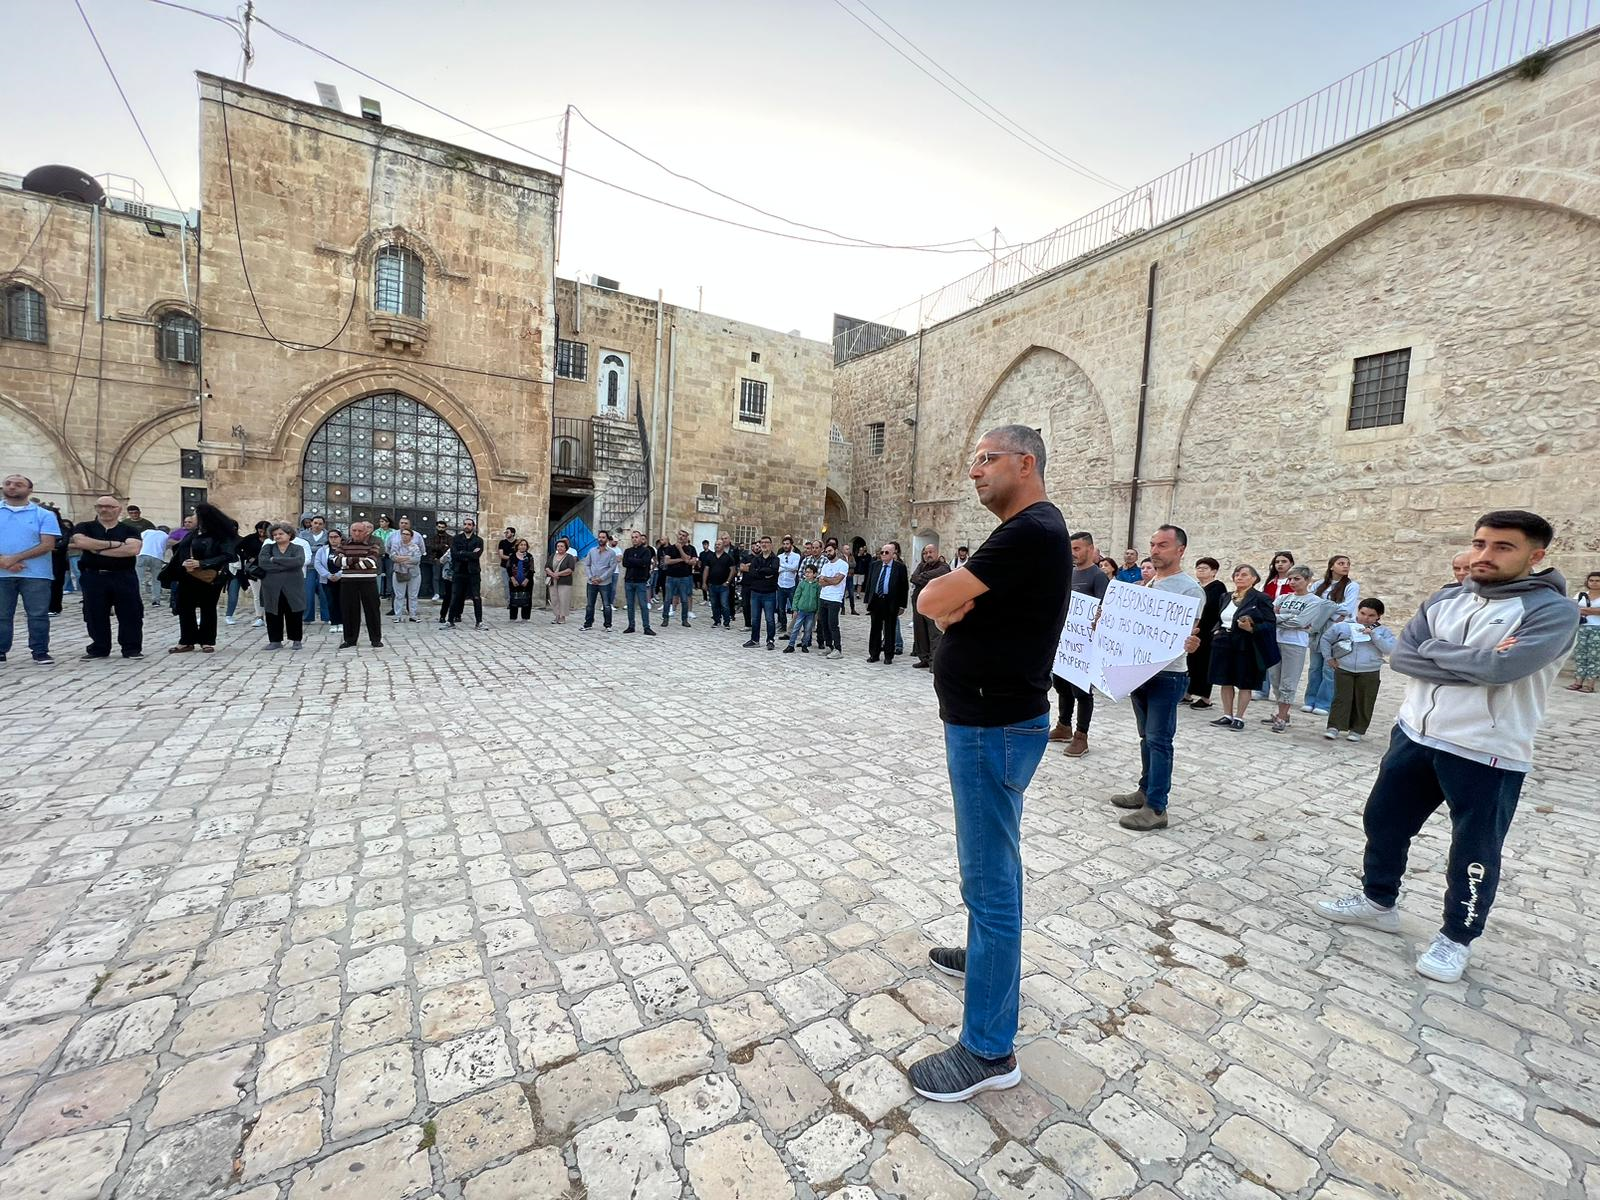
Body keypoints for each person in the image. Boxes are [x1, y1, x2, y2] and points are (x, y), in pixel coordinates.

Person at [1316, 509, 1578, 983]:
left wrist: (1435, 653)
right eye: (1479, 544)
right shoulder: (1447, 597)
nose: (1484, 555)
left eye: (1502, 547)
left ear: (1535, 555)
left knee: (1474, 849)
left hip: (1487, 748)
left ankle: (1457, 937)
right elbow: (1403, 657)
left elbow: (1503, 670)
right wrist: (1470, 661)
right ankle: (1378, 901)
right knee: (1383, 820)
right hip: (1414, 733)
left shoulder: (1551, 611)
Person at [909, 425, 1069, 1103]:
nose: (973, 472)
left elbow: (929, 601)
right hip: (994, 720)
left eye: (986, 459)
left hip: (991, 724)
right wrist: (952, 608)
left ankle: (988, 1050)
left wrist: (948, 607)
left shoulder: (1028, 530)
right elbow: (949, 606)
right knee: (991, 868)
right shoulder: (1031, 530)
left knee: (991, 881)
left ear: (1024, 463)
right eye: (972, 460)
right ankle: (986, 961)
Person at [1107, 526, 1204, 831]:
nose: (1155, 550)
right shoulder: (1147, 584)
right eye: (1152, 544)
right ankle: (1145, 790)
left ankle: (1157, 808)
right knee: (1146, 736)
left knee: (1160, 740)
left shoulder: (1189, 589)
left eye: (1163, 545)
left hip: (1167, 674)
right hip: (1141, 671)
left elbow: (1190, 631)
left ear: (1180, 550)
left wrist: (1191, 642)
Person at [1050, 530, 1110, 754]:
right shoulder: (1069, 573)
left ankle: (1081, 736)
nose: (1073, 553)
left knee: (1082, 691)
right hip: (1066, 643)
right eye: (1071, 549)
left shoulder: (1098, 576)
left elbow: (1104, 608)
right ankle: (1063, 725)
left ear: (1090, 549)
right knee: (1062, 685)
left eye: (1077, 548)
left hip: (1086, 646)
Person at [69, 496, 144, 660]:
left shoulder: (129, 529)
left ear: (118, 509)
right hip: (93, 575)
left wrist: (97, 549)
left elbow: (132, 549)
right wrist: (115, 544)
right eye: (101, 506)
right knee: (94, 612)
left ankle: (131, 648)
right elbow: (81, 542)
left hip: (123, 576)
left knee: (131, 612)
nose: (105, 510)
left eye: (109, 506)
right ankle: (99, 647)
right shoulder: (85, 526)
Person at [1264, 566, 1336, 733]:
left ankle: (1282, 716)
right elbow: (1267, 616)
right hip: (1276, 639)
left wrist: (1280, 618)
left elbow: (1301, 622)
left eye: (1297, 579)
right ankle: (1281, 711)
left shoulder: (1314, 601)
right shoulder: (1283, 597)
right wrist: (1287, 618)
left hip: (1295, 643)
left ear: (1307, 580)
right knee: (1275, 678)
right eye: (1291, 579)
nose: (1293, 582)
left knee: (1288, 680)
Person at [1206, 565, 1278, 729]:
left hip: (1246, 644)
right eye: (1236, 574)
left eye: (1244, 575)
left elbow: (1270, 623)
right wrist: (1216, 631)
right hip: (1223, 642)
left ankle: (1239, 717)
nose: (1239, 577)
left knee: (1245, 681)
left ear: (1254, 579)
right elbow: (1219, 617)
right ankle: (1227, 714)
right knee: (1225, 679)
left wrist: (1253, 629)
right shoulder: (1226, 596)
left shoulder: (1261, 598)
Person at [0, 475, 61, 665]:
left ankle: (40, 650)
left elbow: (47, 544)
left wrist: (15, 558)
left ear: (30, 490)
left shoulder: (44, 515)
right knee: (2, 614)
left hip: (36, 574)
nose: (12, 487)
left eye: (18, 485)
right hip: (2, 573)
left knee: (38, 614)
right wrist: (4, 561)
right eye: (8, 484)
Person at [166, 502, 239, 654]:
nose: (192, 518)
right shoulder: (192, 534)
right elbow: (180, 551)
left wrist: (202, 563)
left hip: (208, 577)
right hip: (188, 576)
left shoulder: (220, 535)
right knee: (185, 608)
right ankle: (186, 640)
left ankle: (207, 640)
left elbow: (228, 555)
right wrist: (184, 563)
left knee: (208, 608)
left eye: (195, 515)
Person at [1320, 598, 1396, 739]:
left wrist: (1373, 635)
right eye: (1363, 613)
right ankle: (1334, 727)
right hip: (1344, 667)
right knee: (1341, 698)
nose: (1365, 618)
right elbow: (1325, 639)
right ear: (1358, 611)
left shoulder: (1383, 631)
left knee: (1365, 701)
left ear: (1379, 616)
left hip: (1369, 670)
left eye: (1371, 615)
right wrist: (1328, 658)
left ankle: (1357, 730)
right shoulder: (1343, 626)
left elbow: (1390, 649)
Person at [1302, 555, 1362, 714]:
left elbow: (1347, 608)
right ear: (1331, 566)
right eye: (1341, 563)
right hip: (1317, 628)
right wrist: (1328, 609)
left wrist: (1325, 611)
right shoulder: (1318, 585)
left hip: (1335, 628)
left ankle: (1324, 703)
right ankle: (1310, 699)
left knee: (1329, 668)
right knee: (1315, 667)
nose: (1345, 566)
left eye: (1348, 564)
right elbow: (1310, 603)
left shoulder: (1351, 586)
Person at [1185, 557, 1227, 710]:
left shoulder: (1217, 587)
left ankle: (1205, 697)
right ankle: (1188, 692)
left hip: (1208, 630)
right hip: (1194, 629)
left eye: (1204, 568)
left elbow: (1213, 608)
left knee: (1204, 664)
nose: (1200, 571)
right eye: (1198, 568)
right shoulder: (1195, 587)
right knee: (1191, 662)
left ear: (1214, 571)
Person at [333, 521, 383, 649]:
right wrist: (359, 560)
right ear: (350, 531)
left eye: (360, 531)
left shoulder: (373, 544)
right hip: (348, 581)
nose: (357, 533)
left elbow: (371, 561)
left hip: (368, 581)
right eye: (354, 530)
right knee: (349, 610)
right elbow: (337, 561)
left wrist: (348, 562)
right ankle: (350, 640)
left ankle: (376, 639)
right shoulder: (343, 544)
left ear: (366, 532)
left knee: (372, 610)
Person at [257, 523, 307, 650]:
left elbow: (298, 562)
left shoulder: (297, 548)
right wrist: (286, 565)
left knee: (294, 611)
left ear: (289, 534)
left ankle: (296, 640)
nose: (277, 536)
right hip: (271, 586)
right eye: (275, 534)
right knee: (273, 612)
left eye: (280, 534)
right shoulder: (268, 548)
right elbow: (263, 563)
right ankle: (275, 640)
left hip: (293, 585)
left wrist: (275, 560)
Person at [909, 543, 952, 669]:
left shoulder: (943, 566)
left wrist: (921, 578)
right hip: (918, 603)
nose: (928, 555)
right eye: (925, 553)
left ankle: (935, 662)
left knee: (934, 633)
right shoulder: (921, 565)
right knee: (920, 632)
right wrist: (925, 578)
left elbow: (938, 575)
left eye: (930, 552)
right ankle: (924, 658)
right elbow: (913, 578)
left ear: (937, 553)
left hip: (934, 604)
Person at [865, 542, 908, 664]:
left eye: (886, 552)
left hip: (891, 601)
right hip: (876, 600)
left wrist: (902, 605)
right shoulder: (875, 565)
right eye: (882, 552)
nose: (883, 554)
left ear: (893, 554)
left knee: (889, 628)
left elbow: (904, 587)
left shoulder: (899, 567)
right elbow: (870, 583)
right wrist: (867, 600)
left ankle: (889, 655)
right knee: (875, 628)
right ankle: (874, 654)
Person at [226, 521, 269, 627]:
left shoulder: (271, 539)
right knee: (257, 594)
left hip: (269, 569)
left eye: (264, 531)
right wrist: (247, 557)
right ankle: (259, 617)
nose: (262, 533)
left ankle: (270, 616)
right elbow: (237, 548)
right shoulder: (251, 538)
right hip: (254, 569)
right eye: (260, 531)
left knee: (269, 594)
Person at [742, 536, 780, 649]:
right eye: (762, 543)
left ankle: (770, 640)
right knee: (755, 618)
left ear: (771, 544)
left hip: (769, 593)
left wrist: (760, 571)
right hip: (755, 593)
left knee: (769, 619)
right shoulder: (756, 559)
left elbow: (773, 571)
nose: (764, 545)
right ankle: (754, 640)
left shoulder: (775, 559)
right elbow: (752, 573)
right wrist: (764, 573)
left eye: (766, 542)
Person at [447, 518, 485, 629]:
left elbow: (476, 555)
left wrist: (462, 553)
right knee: (455, 597)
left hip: (473, 573)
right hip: (459, 572)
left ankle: (479, 622)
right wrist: (468, 554)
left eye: (469, 524)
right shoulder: (456, 539)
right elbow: (454, 554)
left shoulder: (478, 540)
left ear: (473, 526)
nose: (467, 526)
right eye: (465, 524)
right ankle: (450, 621)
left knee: (476, 597)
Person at [387, 517, 426, 621]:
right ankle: (398, 616)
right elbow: (392, 556)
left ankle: (413, 615)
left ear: (411, 536)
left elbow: (416, 559)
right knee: (399, 595)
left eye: (407, 534)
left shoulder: (415, 546)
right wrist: (407, 558)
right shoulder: (395, 543)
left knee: (413, 595)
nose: (405, 536)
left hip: (414, 573)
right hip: (399, 572)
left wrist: (401, 558)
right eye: (403, 534)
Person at [1568, 571, 1600, 693]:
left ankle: (1590, 684)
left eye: (1597, 581)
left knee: (1594, 657)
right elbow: (1572, 608)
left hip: (1597, 628)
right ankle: (1578, 682)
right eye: (1592, 580)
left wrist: (1585, 610)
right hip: (1581, 627)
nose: (1594, 583)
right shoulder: (1581, 594)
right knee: (1580, 655)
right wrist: (1593, 610)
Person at [817, 539, 848, 659]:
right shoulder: (825, 565)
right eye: (826, 552)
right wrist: (830, 579)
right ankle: (828, 646)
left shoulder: (842, 565)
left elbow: (837, 581)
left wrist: (827, 579)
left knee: (833, 624)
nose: (828, 553)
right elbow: (821, 582)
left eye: (830, 551)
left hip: (835, 598)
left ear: (836, 550)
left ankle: (837, 648)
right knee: (823, 623)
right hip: (823, 597)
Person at [621, 530, 656, 635]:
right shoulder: (628, 551)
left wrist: (633, 561)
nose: (634, 539)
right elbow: (625, 563)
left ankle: (646, 627)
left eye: (636, 537)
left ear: (641, 538)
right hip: (629, 581)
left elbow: (644, 563)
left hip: (640, 581)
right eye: (632, 537)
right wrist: (637, 561)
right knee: (630, 605)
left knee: (643, 605)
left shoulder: (646, 551)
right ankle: (631, 626)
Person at [658, 531, 696, 628]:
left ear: (687, 538)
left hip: (684, 577)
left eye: (684, 536)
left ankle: (684, 620)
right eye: (680, 535)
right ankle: (665, 619)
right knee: (667, 599)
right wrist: (681, 559)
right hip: (671, 577)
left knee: (684, 599)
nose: (681, 537)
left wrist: (680, 549)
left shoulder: (689, 549)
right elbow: (667, 561)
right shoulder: (670, 548)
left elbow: (689, 561)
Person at [582, 532, 618, 630]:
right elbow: (587, 565)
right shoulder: (592, 551)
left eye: (603, 537)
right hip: (591, 582)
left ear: (607, 539)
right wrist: (591, 577)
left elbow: (612, 568)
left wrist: (601, 578)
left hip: (605, 583)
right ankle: (588, 624)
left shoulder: (611, 553)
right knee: (590, 605)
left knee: (606, 605)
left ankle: (608, 625)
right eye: (599, 537)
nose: (601, 539)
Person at [312, 529, 345, 637]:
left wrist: (339, 575)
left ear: (340, 538)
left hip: (342, 579)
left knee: (341, 601)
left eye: (336, 537)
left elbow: (348, 563)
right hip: (327, 580)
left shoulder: (344, 549)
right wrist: (328, 575)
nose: (333, 539)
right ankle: (333, 622)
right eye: (331, 537)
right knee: (330, 601)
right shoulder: (323, 550)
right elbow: (317, 563)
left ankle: (341, 622)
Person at [302, 515, 334, 626]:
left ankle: (327, 617)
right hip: (309, 567)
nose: (317, 525)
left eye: (320, 524)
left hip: (323, 567)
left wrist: (311, 547)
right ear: (311, 523)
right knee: (308, 593)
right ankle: (307, 617)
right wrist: (319, 547)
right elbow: (302, 548)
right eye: (315, 523)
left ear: (324, 525)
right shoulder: (303, 534)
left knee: (324, 593)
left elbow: (329, 548)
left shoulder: (327, 535)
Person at [783, 563, 821, 653]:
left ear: (815, 574)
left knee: (808, 630)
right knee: (796, 628)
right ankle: (791, 645)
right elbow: (796, 596)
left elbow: (818, 598)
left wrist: (818, 610)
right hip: (801, 611)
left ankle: (804, 644)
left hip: (811, 612)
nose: (807, 574)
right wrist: (794, 608)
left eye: (810, 572)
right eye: (806, 572)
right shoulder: (802, 584)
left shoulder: (817, 586)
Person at [704, 535, 737, 629]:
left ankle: (727, 622)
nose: (717, 546)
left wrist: (727, 582)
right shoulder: (710, 557)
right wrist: (704, 582)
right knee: (714, 604)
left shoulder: (728, 557)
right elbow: (706, 569)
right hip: (712, 584)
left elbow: (733, 570)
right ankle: (716, 621)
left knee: (724, 604)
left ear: (723, 546)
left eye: (719, 544)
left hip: (723, 586)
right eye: (715, 544)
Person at [545, 537, 577, 623]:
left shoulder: (569, 557)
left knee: (563, 599)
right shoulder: (552, 556)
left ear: (565, 547)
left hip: (564, 581)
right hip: (553, 581)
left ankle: (563, 617)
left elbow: (570, 569)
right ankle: (557, 616)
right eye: (558, 546)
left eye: (562, 546)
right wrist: (552, 574)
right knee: (554, 599)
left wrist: (558, 574)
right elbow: (547, 567)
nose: (560, 548)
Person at [136, 524, 169, 608]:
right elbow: (165, 548)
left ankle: (136, 599)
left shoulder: (147, 531)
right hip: (157, 557)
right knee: (156, 580)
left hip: (142, 554)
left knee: (138, 579)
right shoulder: (166, 536)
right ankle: (156, 601)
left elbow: (138, 540)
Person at [775, 536, 802, 635]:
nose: (785, 546)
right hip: (781, 584)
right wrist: (787, 567)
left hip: (791, 584)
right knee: (781, 608)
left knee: (794, 607)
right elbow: (777, 569)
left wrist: (783, 566)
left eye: (787, 544)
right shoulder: (780, 557)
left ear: (791, 545)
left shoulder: (796, 556)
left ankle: (795, 627)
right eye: (784, 544)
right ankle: (783, 625)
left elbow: (795, 567)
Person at [507, 538, 536, 620]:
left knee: (527, 598)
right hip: (514, 580)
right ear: (517, 546)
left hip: (527, 581)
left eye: (525, 545)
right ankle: (513, 617)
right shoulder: (512, 556)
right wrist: (512, 578)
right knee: (513, 598)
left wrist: (527, 579)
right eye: (521, 545)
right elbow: (508, 568)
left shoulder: (529, 556)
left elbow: (531, 569)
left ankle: (525, 617)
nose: (523, 546)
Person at [424, 519, 452, 603]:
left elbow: (450, 548)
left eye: (442, 527)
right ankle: (436, 593)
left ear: (445, 528)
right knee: (435, 577)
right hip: (435, 560)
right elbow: (431, 547)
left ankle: (446, 593)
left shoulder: (450, 538)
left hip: (446, 560)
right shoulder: (433, 537)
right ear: (436, 527)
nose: (441, 529)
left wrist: (439, 547)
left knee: (446, 577)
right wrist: (443, 546)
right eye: (439, 527)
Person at [372, 514, 395, 602]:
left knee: (390, 573)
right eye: (380, 521)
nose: (381, 523)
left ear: (388, 523)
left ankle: (389, 592)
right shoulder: (376, 532)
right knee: (379, 573)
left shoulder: (393, 532)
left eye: (383, 521)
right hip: (379, 555)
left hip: (389, 555)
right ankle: (380, 592)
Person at [850, 540, 872, 615]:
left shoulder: (867, 556)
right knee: (854, 583)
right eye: (860, 550)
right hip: (855, 572)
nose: (861, 551)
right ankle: (851, 594)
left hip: (862, 572)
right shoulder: (856, 556)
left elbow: (867, 563)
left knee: (860, 584)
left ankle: (858, 594)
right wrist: (858, 556)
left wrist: (864, 556)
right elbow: (854, 562)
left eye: (862, 550)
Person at [497, 526, 517, 597]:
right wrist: (512, 558)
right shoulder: (502, 542)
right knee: (506, 585)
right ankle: (509, 602)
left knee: (515, 584)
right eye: (505, 532)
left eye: (507, 532)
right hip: (504, 567)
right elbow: (501, 555)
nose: (505, 534)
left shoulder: (517, 543)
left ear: (513, 534)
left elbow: (520, 554)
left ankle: (515, 600)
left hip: (515, 568)